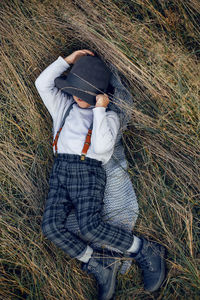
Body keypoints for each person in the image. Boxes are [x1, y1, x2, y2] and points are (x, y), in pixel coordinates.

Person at [35, 49, 166, 300]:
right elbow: (41, 84)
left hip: (88, 171)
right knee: (50, 227)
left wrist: (99, 110)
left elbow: (103, 147)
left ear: (99, 96)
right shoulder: (64, 106)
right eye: (74, 91)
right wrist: (68, 61)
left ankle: (145, 250)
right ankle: (98, 263)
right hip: (60, 170)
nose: (76, 97)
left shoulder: (109, 117)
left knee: (91, 226)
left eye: (83, 95)